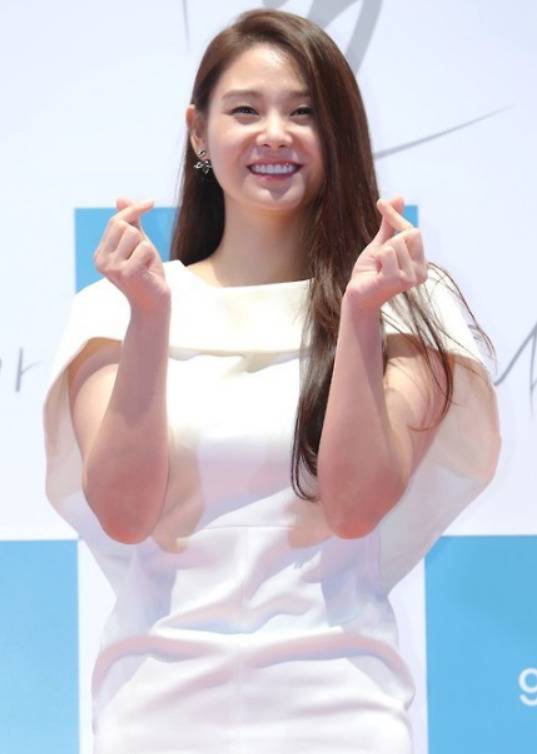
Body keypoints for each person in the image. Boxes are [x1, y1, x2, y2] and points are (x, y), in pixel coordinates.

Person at [42, 7, 501, 753]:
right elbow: (124, 514)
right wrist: (151, 319)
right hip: (155, 713)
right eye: (245, 111)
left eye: (303, 112)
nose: (275, 134)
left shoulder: (406, 303)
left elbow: (354, 506)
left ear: (338, 133)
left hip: (342, 712)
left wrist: (359, 314)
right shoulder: (113, 308)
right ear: (198, 132)